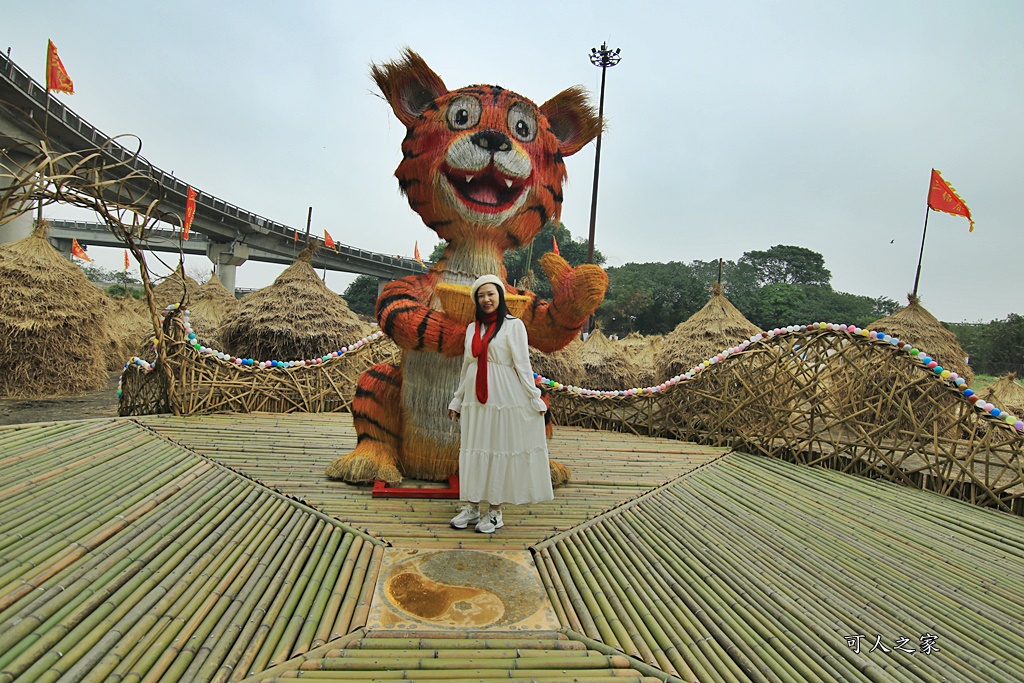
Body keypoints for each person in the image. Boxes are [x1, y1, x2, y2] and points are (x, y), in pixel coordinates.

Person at [447, 274, 553, 533]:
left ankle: (495, 511)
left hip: (503, 395)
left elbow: (522, 364)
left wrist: (533, 396)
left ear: (500, 296)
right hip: (475, 397)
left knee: (498, 449)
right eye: (481, 295)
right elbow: (467, 365)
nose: (486, 299)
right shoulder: (473, 329)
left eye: (491, 294)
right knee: (474, 448)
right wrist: (457, 400)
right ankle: (471, 507)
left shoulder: (513, 326)